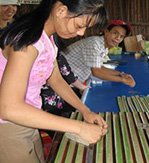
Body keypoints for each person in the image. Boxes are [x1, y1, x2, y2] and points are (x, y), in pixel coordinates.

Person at [0, 0, 108, 162]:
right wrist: (79, 128)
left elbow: (55, 78)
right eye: (79, 26)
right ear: (61, 11)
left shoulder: (47, 39)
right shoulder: (28, 42)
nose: (81, 33)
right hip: (8, 126)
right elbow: (9, 109)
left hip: (29, 119)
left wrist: (85, 110)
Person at [62, 19, 136, 87]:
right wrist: (122, 80)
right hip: (62, 81)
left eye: (121, 36)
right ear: (106, 32)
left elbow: (99, 67)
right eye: (115, 33)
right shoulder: (94, 44)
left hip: (71, 82)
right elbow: (97, 72)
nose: (118, 38)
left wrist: (121, 74)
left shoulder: (103, 47)